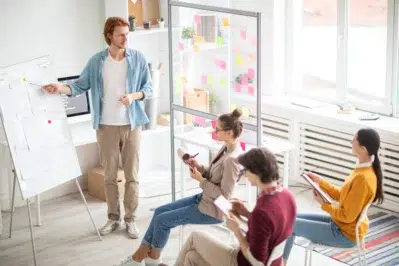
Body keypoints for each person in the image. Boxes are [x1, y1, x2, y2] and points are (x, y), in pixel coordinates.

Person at [42, 17, 152, 239]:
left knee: (132, 175)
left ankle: (130, 220)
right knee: (110, 176)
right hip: (106, 126)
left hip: (132, 125)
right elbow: (79, 85)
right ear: (109, 35)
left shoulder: (138, 58)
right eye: (121, 34)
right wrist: (59, 87)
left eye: (127, 34)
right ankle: (113, 218)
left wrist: (134, 96)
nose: (125, 38)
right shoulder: (97, 62)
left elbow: (148, 88)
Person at [116, 108, 244, 266]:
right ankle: (144, 258)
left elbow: (225, 197)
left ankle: (147, 259)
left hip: (213, 211)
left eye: (217, 129)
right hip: (204, 199)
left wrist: (201, 181)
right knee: (159, 212)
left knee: (163, 221)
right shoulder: (225, 148)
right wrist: (200, 167)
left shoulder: (232, 159)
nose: (214, 131)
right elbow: (214, 175)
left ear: (230, 132)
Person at [175, 147, 297, 266]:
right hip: (273, 262)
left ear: (256, 172)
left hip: (241, 261)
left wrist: (237, 231)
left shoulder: (262, 211)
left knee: (194, 237)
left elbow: (258, 262)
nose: (244, 174)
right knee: (191, 258)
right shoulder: (287, 196)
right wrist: (246, 213)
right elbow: (270, 226)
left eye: (245, 170)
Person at [282, 128, 384, 265]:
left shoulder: (363, 179)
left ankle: (280, 263)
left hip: (343, 234)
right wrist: (320, 181)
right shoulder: (364, 170)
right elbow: (343, 195)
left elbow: (347, 216)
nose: (351, 142)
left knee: (290, 223)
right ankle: (282, 262)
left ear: (363, 149)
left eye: (354, 139)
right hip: (339, 225)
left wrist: (323, 204)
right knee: (292, 218)